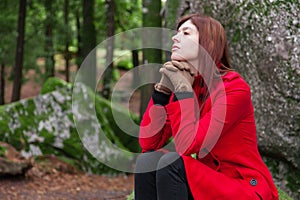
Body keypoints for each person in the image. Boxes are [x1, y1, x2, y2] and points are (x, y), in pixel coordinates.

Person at [134, 14, 278, 200]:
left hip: (245, 185)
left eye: (186, 33)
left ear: (207, 42)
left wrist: (183, 92)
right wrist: (161, 93)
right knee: (148, 161)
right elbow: (148, 143)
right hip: (208, 180)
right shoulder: (188, 83)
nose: (175, 37)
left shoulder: (234, 88)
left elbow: (187, 146)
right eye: (177, 32)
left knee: (171, 163)